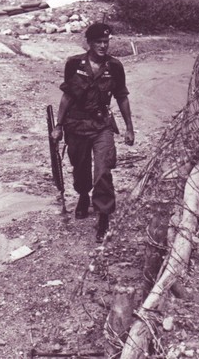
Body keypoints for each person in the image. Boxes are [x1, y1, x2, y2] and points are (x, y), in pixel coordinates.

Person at [51, 22, 135, 242]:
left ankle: (104, 215)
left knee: (103, 170)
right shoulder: (73, 64)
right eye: (98, 42)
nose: (103, 46)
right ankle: (82, 196)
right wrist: (58, 126)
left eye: (106, 42)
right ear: (89, 43)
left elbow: (122, 97)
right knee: (80, 168)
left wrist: (129, 128)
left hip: (102, 127)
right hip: (76, 126)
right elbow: (67, 97)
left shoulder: (114, 66)